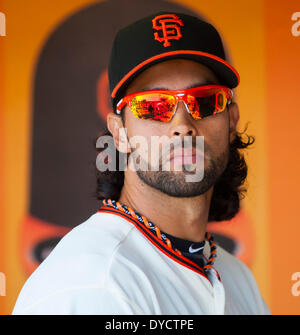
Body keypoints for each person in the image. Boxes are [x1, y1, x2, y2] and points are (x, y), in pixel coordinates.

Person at [12, 11, 270, 315]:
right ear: (119, 133)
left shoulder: (236, 278)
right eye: (153, 106)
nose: (182, 125)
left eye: (204, 100)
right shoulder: (90, 284)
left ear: (231, 121)